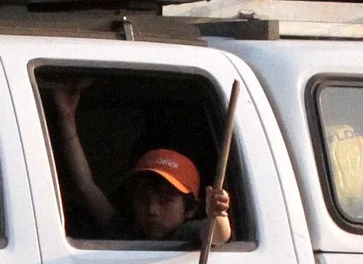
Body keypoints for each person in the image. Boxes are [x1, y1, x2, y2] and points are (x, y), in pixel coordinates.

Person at [44, 78, 233, 244]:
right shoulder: (126, 233)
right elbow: (85, 184)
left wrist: (218, 215)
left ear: (190, 209)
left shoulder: (185, 234)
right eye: (143, 198)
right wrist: (67, 119)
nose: (152, 209)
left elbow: (217, 235)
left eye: (166, 200)